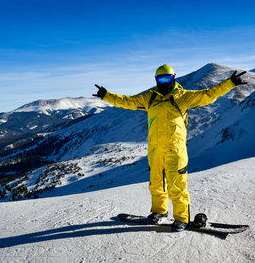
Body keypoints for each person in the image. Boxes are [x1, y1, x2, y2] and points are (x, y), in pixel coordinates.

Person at [93, 64, 247, 232]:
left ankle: (182, 218)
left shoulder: (183, 97)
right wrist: (106, 95)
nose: (164, 82)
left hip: (176, 149)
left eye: (167, 78)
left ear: (173, 78)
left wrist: (230, 83)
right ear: (156, 80)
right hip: (155, 150)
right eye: (161, 79)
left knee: (177, 185)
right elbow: (127, 101)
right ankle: (159, 212)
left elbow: (209, 95)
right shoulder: (150, 97)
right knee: (156, 184)